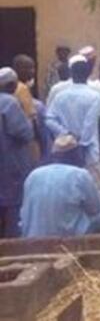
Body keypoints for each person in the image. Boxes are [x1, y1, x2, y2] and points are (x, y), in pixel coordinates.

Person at [20, 136, 100, 237]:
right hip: (71, 234)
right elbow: (95, 210)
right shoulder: (80, 175)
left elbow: (25, 213)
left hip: (33, 235)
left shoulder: (34, 175)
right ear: (76, 154)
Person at [45, 56, 100, 182]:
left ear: (71, 74)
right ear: (88, 74)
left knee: (66, 183)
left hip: (64, 149)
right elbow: (89, 124)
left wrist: (65, 133)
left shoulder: (61, 96)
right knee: (88, 187)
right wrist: (80, 145)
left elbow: (49, 119)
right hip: (87, 151)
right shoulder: (94, 97)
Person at [0, 68, 33, 237]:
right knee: (14, 215)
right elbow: (25, 133)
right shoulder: (9, 103)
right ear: (12, 85)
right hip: (10, 166)